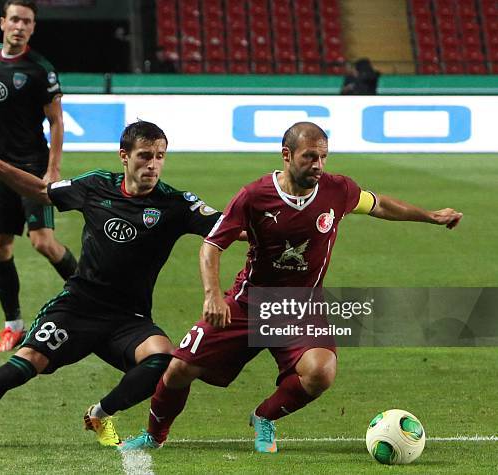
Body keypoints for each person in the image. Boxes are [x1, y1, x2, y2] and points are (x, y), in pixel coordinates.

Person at [119, 121, 463, 454]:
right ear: (287, 155)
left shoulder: (338, 190)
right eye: (310, 157)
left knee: (320, 372)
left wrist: (429, 216)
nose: (319, 165)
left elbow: (380, 204)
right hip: (248, 301)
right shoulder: (254, 196)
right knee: (179, 370)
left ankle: (264, 417)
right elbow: (211, 245)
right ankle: (154, 435)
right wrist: (212, 295)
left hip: (301, 307)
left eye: (323, 157)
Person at [0, 120, 228, 450]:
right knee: (23, 365)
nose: (153, 165)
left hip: (129, 318)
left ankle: (99, 413)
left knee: (164, 360)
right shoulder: (96, 185)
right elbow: (41, 191)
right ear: (124, 156)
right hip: (77, 308)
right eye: (144, 156)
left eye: (160, 156)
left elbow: (230, 226)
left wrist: (278, 213)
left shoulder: (176, 204)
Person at [0, 0, 77, 352]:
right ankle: (13, 325)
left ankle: (90, 299)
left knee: (42, 242)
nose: (20, 26)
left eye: (27, 21)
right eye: (15, 19)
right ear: (3, 22)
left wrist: (53, 170)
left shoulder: (40, 70)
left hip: (32, 168)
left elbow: (56, 121)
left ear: (33, 28)